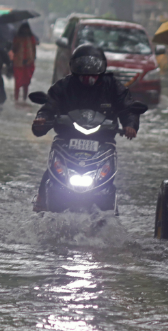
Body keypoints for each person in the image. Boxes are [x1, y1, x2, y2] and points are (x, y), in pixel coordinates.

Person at [31, 44, 139, 211]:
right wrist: (41, 119)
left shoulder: (113, 86)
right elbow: (49, 106)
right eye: (83, 69)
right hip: (67, 139)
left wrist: (130, 125)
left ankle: (109, 206)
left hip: (102, 140)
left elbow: (127, 107)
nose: (88, 75)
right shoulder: (64, 86)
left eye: (92, 69)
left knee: (109, 176)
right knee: (53, 167)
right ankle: (40, 198)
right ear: (74, 67)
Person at [12, 22, 38, 101]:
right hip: (18, 64)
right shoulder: (17, 38)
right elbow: (14, 49)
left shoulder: (31, 38)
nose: (25, 30)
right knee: (18, 82)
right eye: (24, 29)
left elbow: (33, 49)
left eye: (26, 29)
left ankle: (24, 99)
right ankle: (16, 99)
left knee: (26, 83)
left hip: (28, 64)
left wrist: (32, 59)